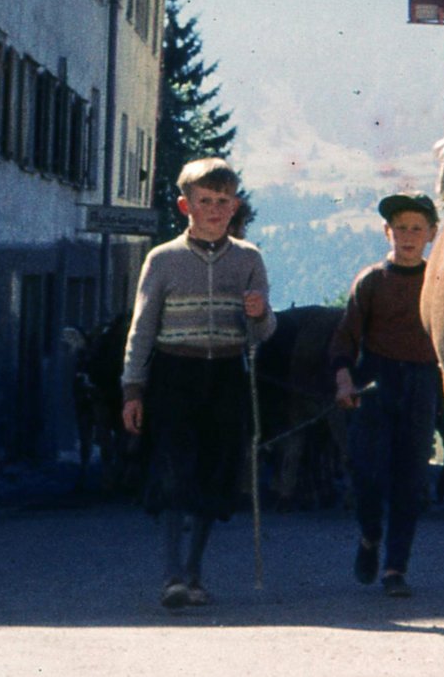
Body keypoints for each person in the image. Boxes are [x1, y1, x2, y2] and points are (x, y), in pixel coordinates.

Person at [120, 158, 275, 610]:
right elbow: (142, 327)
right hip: (174, 374)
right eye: (204, 201)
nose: (213, 209)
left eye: (222, 202)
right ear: (185, 205)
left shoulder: (249, 260)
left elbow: (265, 334)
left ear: (235, 207)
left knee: (211, 473)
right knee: (171, 472)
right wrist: (133, 388)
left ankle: (194, 573)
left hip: (225, 375)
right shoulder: (163, 259)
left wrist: (259, 312)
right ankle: (171, 575)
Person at [329, 192, 441, 599]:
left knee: (410, 479)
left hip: (423, 382)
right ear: (386, 231)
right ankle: (370, 536)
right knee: (368, 474)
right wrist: (344, 379)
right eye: (400, 228)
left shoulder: (438, 283)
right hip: (375, 382)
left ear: (431, 233)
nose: (407, 236)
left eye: (416, 228)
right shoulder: (372, 280)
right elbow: (344, 337)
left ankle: (395, 569)